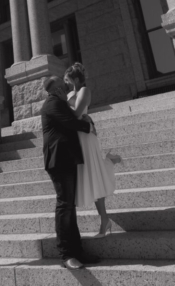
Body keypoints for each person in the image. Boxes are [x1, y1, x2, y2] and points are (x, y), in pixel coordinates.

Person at [41, 75, 100, 270]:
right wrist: (88, 126)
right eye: (63, 86)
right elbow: (70, 122)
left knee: (69, 206)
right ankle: (66, 255)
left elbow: (73, 116)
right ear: (56, 89)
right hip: (59, 161)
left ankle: (77, 252)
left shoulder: (60, 102)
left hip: (67, 159)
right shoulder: (53, 103)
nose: (66, 87)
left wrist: (84, 117)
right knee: (65, 205)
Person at [64, 62, 120, 236]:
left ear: (74, 79)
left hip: (86, 138)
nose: (65, 83)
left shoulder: (84, 91)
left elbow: (76, 114)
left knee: (93, 175)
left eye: (67, 79)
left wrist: (61, 109)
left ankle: (109, 161)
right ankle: (105, 220)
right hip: (77, 136)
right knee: (91, 177)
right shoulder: (70, 93)